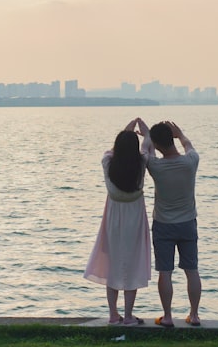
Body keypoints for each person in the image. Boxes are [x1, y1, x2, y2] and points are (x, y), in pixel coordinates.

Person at [83, 118, 151, 325]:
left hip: (113, 216)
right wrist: (145, 134)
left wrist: (126, 131)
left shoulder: (108, 162)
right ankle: (129, 315)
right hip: (134, 217)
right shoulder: (141, 163)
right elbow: (148, 147)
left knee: (112, 264)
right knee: (132, 262)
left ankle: (113, 314)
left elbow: (113, 151)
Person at [144, 120, 202, 327]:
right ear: (172, 138)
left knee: (165, 272)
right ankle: (194, 315)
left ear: (158, 145)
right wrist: (181, 134)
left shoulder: (155, 166)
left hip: (163, 225)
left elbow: (148, 151)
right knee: (192, 270)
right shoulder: (190, 162)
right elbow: (188, 146)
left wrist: (146, 136)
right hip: (188, 223)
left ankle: (167, 316)